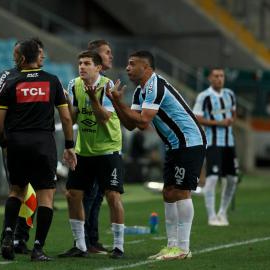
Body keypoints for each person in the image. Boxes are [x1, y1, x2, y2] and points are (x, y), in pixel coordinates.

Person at [107, 51, 206, 260]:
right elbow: (132, 125)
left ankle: (183, 248)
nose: (127, 68)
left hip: (189, 141)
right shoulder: (139, 92)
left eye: (132, 64)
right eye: (127, 64)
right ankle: (171, 246)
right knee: (168, 192)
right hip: (174, 145)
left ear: (147, 68)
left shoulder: (155, 86)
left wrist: (120, 103)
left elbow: (143, 121)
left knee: (181, 191)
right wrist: (116, 102)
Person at [0, 38, 76, 262]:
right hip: (43, 144)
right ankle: (38, 248)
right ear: (38, 55)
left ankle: (8, 237)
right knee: (46, 197)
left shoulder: (11, 83)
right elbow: (66, 118)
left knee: (16, 192)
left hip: (17, 144)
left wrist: (4, 142)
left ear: (20, 57)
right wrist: (69, 146)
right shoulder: (52, 81)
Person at [59, 50, 125, 259]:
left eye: (87, 63)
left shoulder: (108, 86)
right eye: (80, 63)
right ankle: (80, 245)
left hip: (108, 149)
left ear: (98, 67)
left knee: (112, 196)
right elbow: (73, 117)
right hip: (84, 150)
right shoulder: (74, 84)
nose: (82, 67)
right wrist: (63, 104)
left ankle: (118, 246)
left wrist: (92, 98)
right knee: (72, 195)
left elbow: (104, 117)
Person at [0, 39, 45, 255]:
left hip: (39, 143)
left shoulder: (45, 80)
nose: (41, 56)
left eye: (42, 53)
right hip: (14, 141)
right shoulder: (7, 76)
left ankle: (21, 237)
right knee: (19, 190)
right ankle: (9, 236)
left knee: (36, 193)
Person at [193, 68, 238, 226]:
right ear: (210, 78)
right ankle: (211, 216)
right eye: (216, 76)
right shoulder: (204, 96)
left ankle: (222, 212)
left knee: (232, 179)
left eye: (222, 76)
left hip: (229, 143)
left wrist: (231, 119)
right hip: (213, 142)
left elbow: (233, 113)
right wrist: (219, 123)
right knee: (212, 179)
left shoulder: (229, 94)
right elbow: (197, 118)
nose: (219, 79)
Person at [81, 40, 113, 253]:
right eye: (107, 53)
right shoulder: (79, 83)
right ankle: (85, 240)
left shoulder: (108, 83)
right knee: (90, 195)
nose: (110, 56)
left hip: (107, 148)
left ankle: (92, 239)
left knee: (98, 195)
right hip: (90, 150)